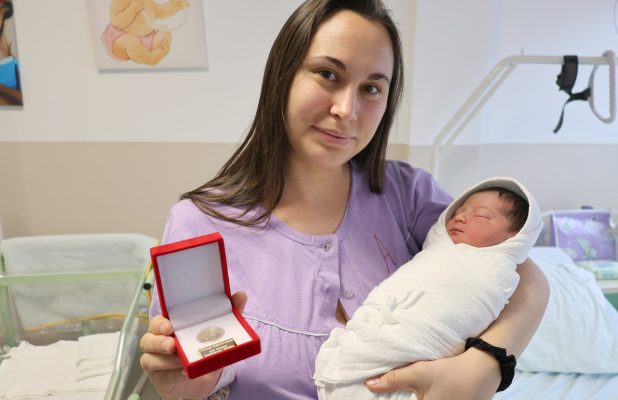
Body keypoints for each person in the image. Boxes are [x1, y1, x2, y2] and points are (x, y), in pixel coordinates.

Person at [139, 1, 550, 399]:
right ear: (283, 74)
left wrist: (485, 367)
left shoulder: (407, 196)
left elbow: (526, 278)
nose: (347, 109)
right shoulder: (199, 224)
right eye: (328, 74)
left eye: (371, 88)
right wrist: (189, 392)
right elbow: (194, 373)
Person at [314, 179, 542, 400]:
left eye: (480, 215)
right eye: (458, 211)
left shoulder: (496, 268)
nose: (460, 216)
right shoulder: (439, 248)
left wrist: (483, 367)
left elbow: (533, 282)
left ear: (516, 237)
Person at [100, 0, 189, 66]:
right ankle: (150, 58)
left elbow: (159, 11)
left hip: (148, 37)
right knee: (131, 42)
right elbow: (118, 23)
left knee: (165, 31)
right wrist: (132, 9)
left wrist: (174, 6)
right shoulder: (119, 1)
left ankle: (159, 49)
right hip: (123, 37)